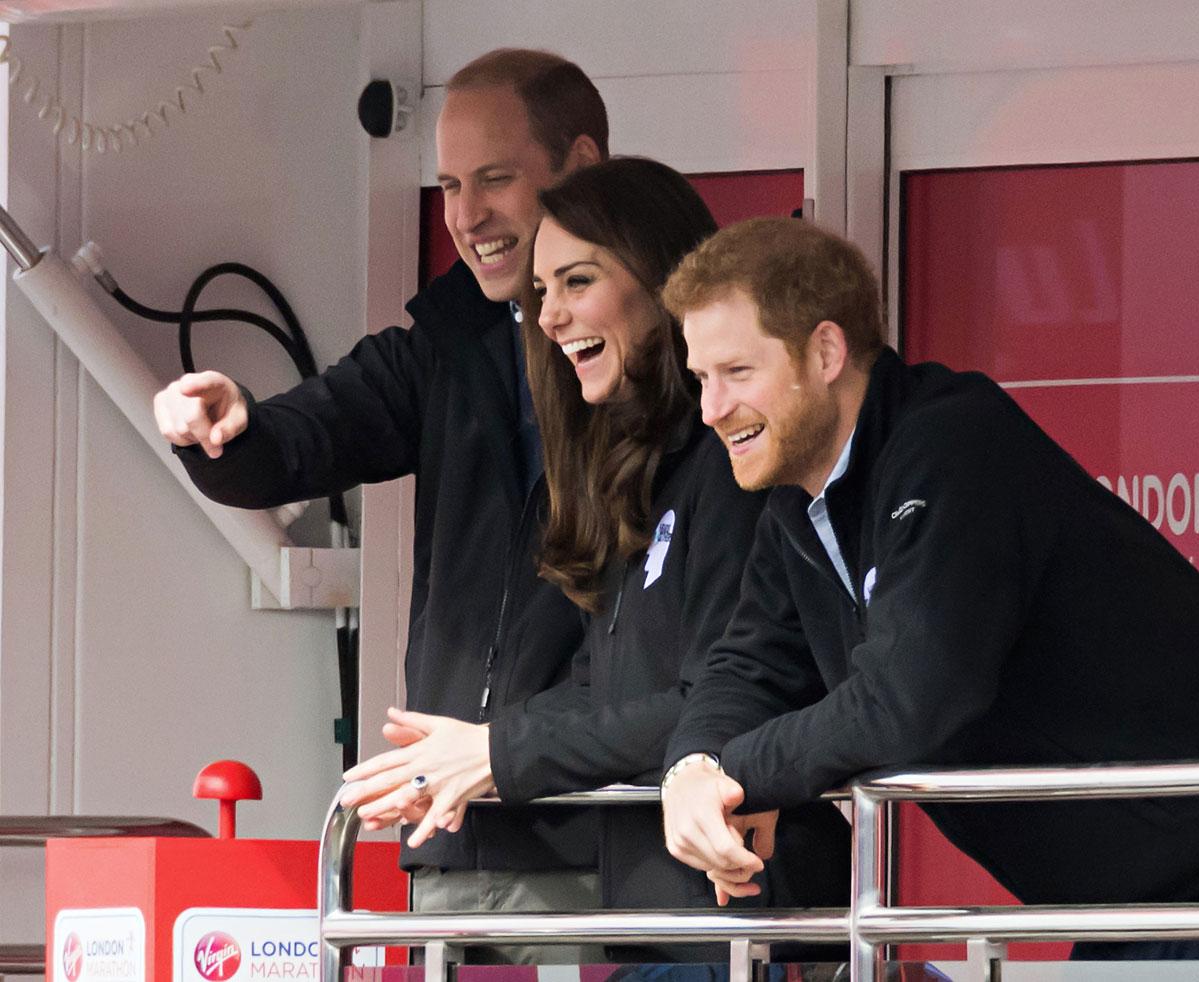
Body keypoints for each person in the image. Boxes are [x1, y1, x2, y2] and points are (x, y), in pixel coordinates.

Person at [657, 216, 1199, 961]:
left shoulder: (951, 443)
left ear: (827, 351)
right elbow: (746, 667)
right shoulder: (796, 507)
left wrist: (740, 774)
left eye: (737, 374)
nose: (712, 410)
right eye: (702, 378)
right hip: (1126, 911)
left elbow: (913, 696)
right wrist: (694, 769)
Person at [151, 49, 609, 965]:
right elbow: (304, 435)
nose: (466, 215)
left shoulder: (681, 362)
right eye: (447, 184)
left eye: (495, 179)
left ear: (583, 169)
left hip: (612, 837)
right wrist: (226, 429)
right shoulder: (446, 349)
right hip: (455, 837)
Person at [340, 159, 851, 962]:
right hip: (661, 929)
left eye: (576, 281)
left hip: (752, 923)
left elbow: (717, 695)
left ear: (662, 283)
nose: (547, 317)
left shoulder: (733, 462)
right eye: (540, 293)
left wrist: (498, 756)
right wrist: (470, 751)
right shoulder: (635, 471)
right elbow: (606, 689)